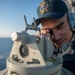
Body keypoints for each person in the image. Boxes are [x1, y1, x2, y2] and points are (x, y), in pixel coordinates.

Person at [34, 0, 75, 74]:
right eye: (49, 31)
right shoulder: (45, 47)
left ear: (71, 21)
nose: (56, 37)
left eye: (60, 27)